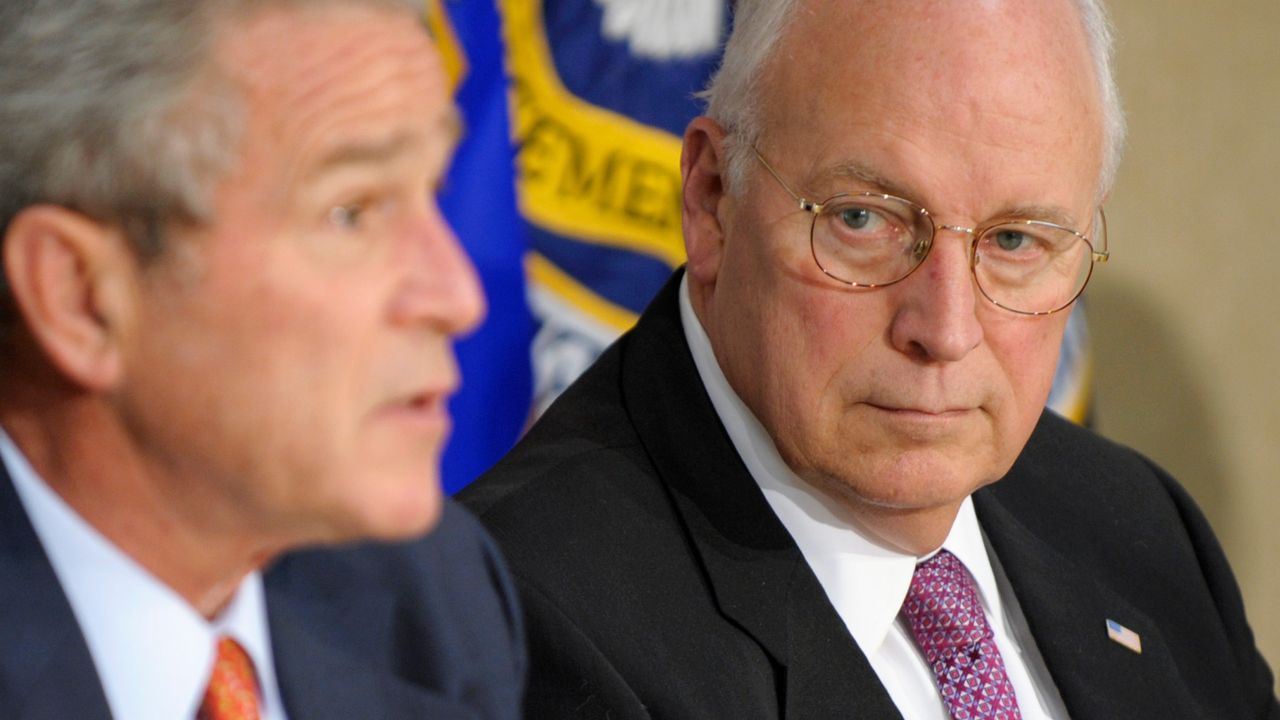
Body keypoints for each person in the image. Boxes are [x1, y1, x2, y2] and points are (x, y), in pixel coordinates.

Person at [459, 0, 1279, 717]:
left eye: (1015, 240)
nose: (946, 329)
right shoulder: (512, 631)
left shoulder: (1142, 531)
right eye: (864, 219)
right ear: (712, 200)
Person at [0, 0, 524, 717]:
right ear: (81, 297)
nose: (458, 297)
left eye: (433, 189)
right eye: (352, 212)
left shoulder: (430, 598)